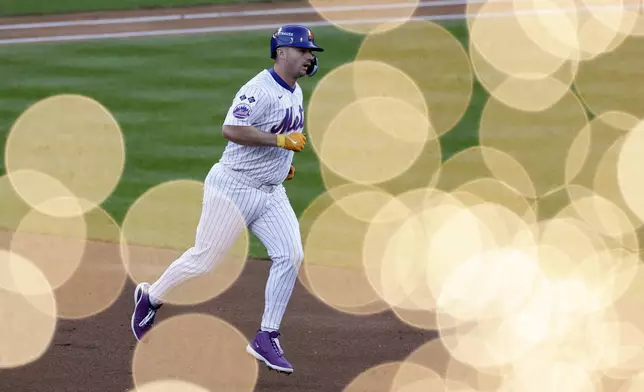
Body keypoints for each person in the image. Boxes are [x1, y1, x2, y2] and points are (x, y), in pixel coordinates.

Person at [130, 24, 324, 375]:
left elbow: (279, 134)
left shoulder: (294, 90)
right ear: (282, 52)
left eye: (311, 52)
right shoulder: (258, 89)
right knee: (205, 260)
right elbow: (232, 129)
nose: (310, 56)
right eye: (304, 51)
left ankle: (267, 335)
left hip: (270, 192)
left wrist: (283, 166)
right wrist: (280, 145)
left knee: (291, 253)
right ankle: (151, 297)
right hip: (233, 188)